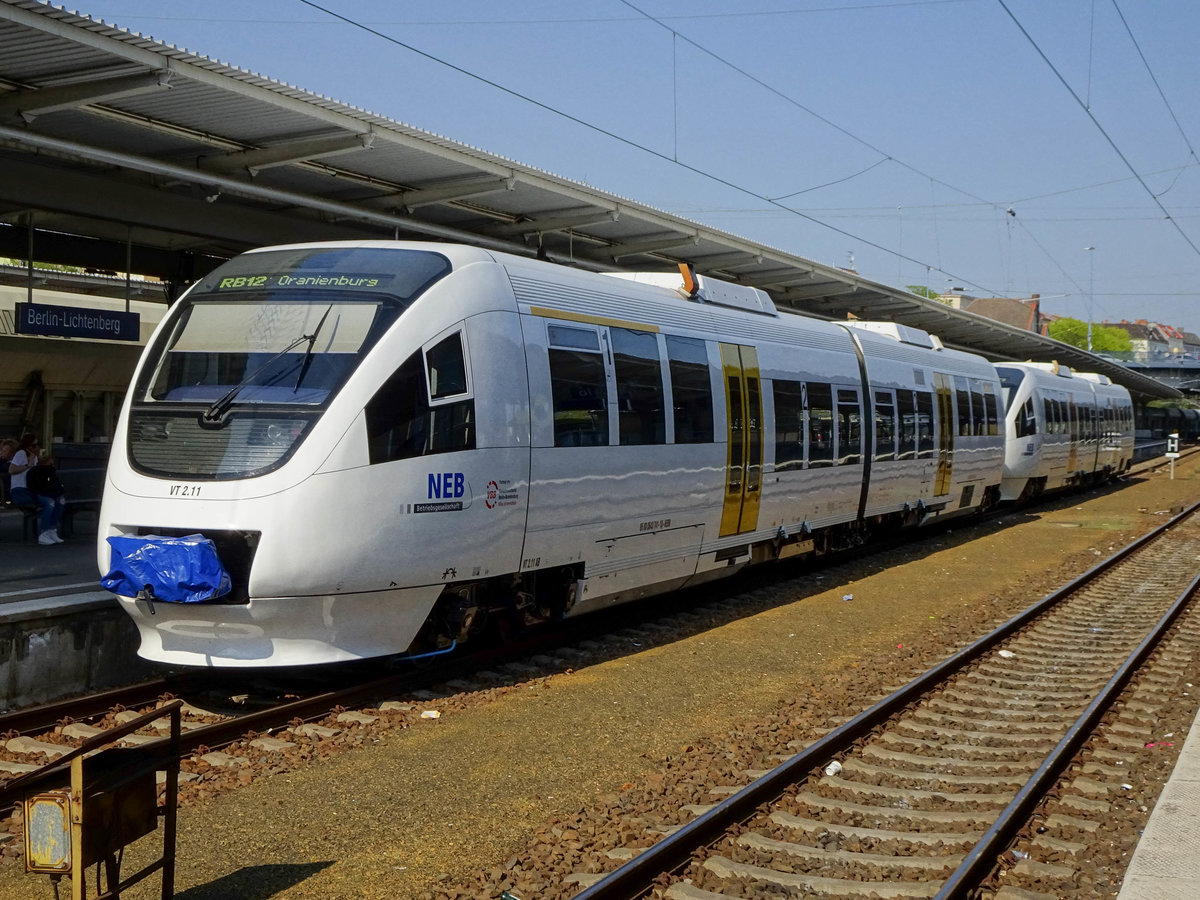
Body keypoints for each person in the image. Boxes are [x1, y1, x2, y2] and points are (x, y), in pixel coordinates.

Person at [8, 433, 63, 545]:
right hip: (21, 490)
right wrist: (28, 464)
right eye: (34, 445)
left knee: (60, 501)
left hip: (33, 489)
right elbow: (11, 470)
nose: (37, 447)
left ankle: (52, 529)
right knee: (49, 503)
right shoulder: (21, 454)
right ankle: (44, 532)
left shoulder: (36, 458)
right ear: (28, 446)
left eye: (37, 445)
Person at [0, 437, 16, 506]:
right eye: (1, 450)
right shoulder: (4, 461)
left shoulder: (13, 464)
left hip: (12, 497)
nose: (1, 453)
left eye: (4, 451)